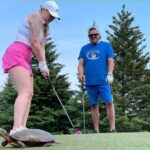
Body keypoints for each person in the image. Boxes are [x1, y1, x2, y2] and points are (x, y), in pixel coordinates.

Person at [2, 0, 60, 134]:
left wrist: (44, 65)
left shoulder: (45, 27)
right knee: (25, 92)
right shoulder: (35, 17)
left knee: (29, 93)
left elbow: (42, 47)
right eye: (49, 14)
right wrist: (41, 63)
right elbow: (34, 42)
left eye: (53, 16)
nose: (51, 18)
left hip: (25, 58)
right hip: (16, 53)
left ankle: (22, 128)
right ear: (42, 9)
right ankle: (16, 128)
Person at [78, 26, 116, 133]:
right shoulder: (84, 49)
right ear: (88, 37)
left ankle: (112, 128)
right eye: (91, 35)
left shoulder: (106, 46)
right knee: (94, 105)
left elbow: (110, 61)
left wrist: (110, 73)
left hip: (104, 81)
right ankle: (96, 130)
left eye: (95, 34)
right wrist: (80, 74)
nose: (93, 36)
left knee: (109, 102)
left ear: (99, 35)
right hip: (90, 82)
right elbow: (81, 64)